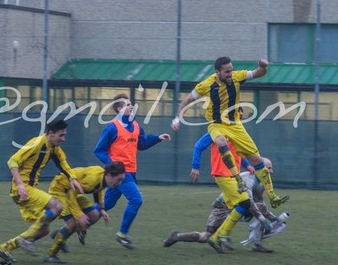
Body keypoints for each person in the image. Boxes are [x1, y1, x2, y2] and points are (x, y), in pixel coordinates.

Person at [171, 57, 289, 210]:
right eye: (226, 72)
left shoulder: (236, 77)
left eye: (231, 70)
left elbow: (258, 73)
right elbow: (186, 101)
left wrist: (263, 67)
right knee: (220, 141)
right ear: (217, 71)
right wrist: (177, 118)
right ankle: (238, 178)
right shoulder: (206, 85)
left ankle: (273, 196)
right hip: (217, 125)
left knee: (257, 160)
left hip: (236, 126)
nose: (230, 74)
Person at [0, 119, 83, 263]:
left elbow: (63, 164)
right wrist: (21, 184)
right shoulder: (36, 143)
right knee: (57, 206)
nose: (63, 139)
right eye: (61, 135)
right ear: (51, 133)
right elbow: (12, 161)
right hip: (22, 189)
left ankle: (4, 248)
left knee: (44, 230)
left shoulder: (53, 148)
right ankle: (25, 240)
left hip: (27, 190)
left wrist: (72, 178)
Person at [93, 94, 170, 249]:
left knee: (106, 205)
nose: (131, 106)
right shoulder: (112, 127)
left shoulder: (135, 126)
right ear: (119, 108)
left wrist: (158, 138)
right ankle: (122, 235)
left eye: (131, 104)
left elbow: (142, 144)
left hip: (131, 172)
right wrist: (112, 166)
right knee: (136, 199)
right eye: (128, 104)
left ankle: (74, 225)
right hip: (120, 174)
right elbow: (99, 150)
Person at [164, 157, 285, 253]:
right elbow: (250, 203)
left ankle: (256, 244)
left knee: (261, 209)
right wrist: (264, 220)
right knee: (204, 237)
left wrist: (273, 218)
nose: (271, 171)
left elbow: (259, 203)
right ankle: (176, 236)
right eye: (269, 168)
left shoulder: (262, 182)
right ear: (260, 168)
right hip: (223, 207)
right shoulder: (248, 179)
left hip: (238, 208)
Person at [44, 162, 127, 263]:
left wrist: (101, 208)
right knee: (72, 224)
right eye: (119, 180)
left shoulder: (103, 177)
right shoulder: (92, 179)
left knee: (95, 215)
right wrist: (78, 214)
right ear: (109, 175)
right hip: (60, 190)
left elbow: (98, 189)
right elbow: (71, 192)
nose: (120, 183)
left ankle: (60, 234)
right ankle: (51, 255)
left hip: (71, 191)